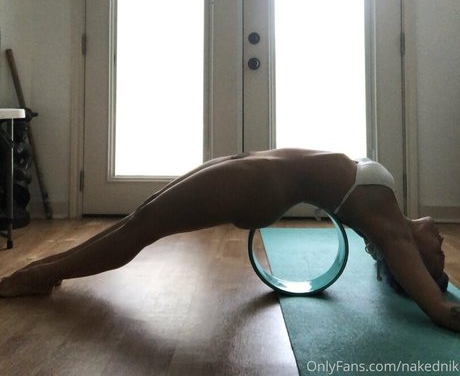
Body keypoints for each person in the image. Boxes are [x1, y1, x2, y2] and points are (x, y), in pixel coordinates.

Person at [0, 149, 458, 332]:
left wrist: (438, 306)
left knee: (143, 226)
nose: (440, 242)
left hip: (258, 184)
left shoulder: (390, 228)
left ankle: (41, 274)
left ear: (412, 261)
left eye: (436, 258)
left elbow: (434, 303)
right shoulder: (388, 218)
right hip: (255, 168)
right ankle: (48, 270)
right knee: (143, 216)